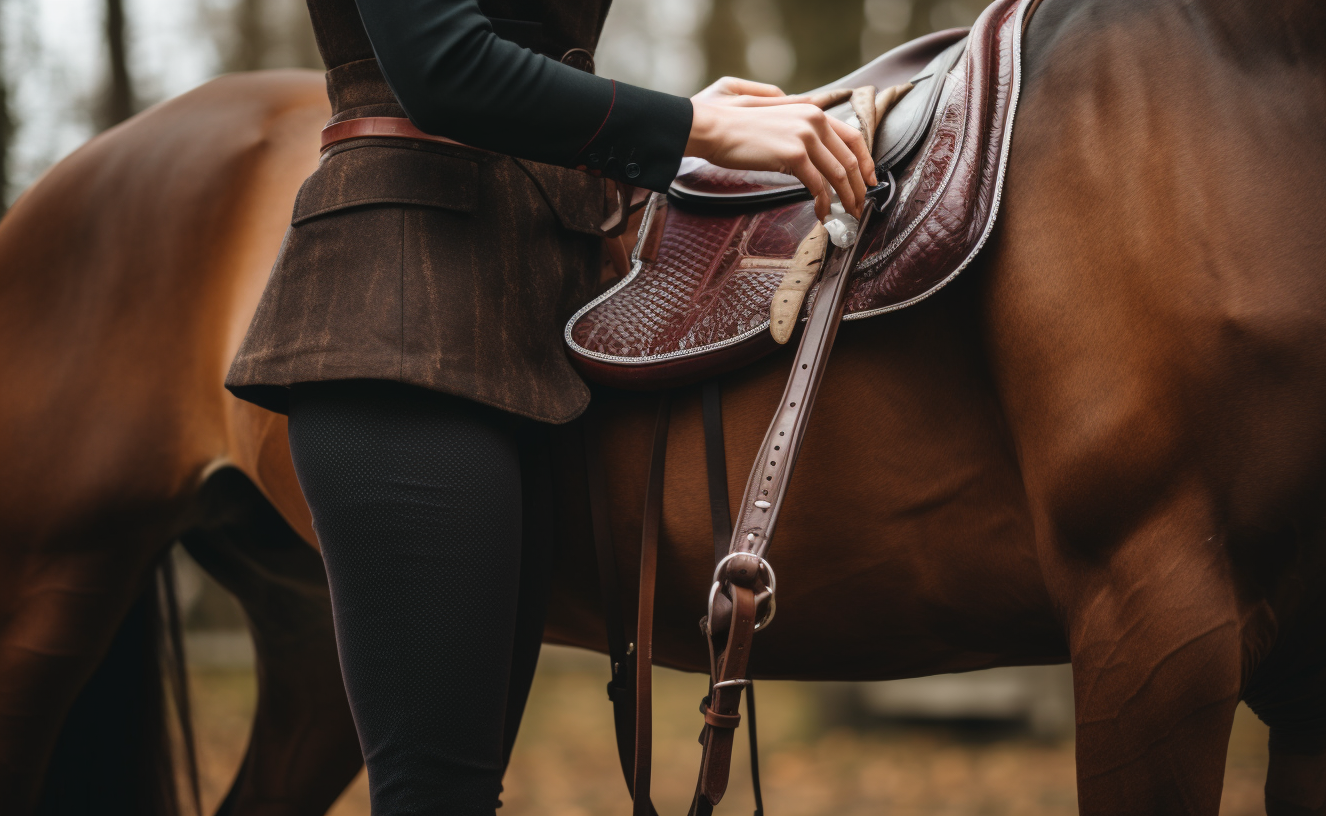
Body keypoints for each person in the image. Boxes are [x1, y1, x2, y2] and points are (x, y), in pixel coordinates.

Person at [224, 0, 874, 813]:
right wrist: (689, 125)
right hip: (394, 322)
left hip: (532, 325)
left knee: (464, 789)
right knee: (436, 794)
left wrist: (651, 140)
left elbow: (526, 50)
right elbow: (443, 67)